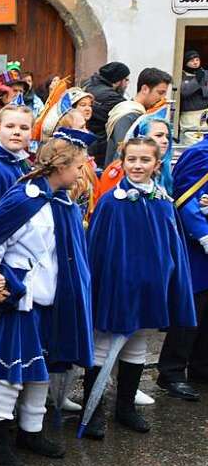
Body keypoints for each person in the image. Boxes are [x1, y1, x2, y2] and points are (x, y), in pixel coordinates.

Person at [0, 129, 95, 466]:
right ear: (60, 166)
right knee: (12, 372)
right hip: (22, 300)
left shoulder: (60, 200)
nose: (82, 172)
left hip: (48, 300)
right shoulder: (26, 198)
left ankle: (31, 430)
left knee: (40, 371)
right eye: (78, 166)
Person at [83, 136, 196, 439]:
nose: (137, 165)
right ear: (121, 161)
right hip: (116, 288)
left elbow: (172, 249)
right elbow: (98, 249)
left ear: (157, 165)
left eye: (145, 160)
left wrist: (170, 282)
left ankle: (125, 407)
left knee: (136, 344)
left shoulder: (163, 203)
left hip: (150, 289)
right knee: (103, 345)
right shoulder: (112, 202)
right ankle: (92, 410)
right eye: (132, 159)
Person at [157, 124, 208, 401]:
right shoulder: (202, 153)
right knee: (192, 308)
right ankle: (172, 371)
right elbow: (186, 198)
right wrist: (204, 235)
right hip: (197, 247)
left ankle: (201, 367)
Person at [103, 68, 172, 166]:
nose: (163, 98)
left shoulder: (145, 113)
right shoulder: (128, 115)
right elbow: (124, 150)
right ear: (145, 89)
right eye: (160, 93)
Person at [85, 61, 130, 164]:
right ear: (118, 81)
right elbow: (127, 111)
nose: (127, 84)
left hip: (90, 144)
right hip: (99, 149)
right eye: (126, 80)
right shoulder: (111, 97)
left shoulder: (90, 85)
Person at [179, 49, 207, 144]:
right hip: (189, 116)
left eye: (197, 60)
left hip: (204, 113)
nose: (195, 62)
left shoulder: (203, 73)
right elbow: (185, 91)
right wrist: (197, 80)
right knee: (191, 141)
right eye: (191, 60)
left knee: (204, 140)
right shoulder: (181, 74)